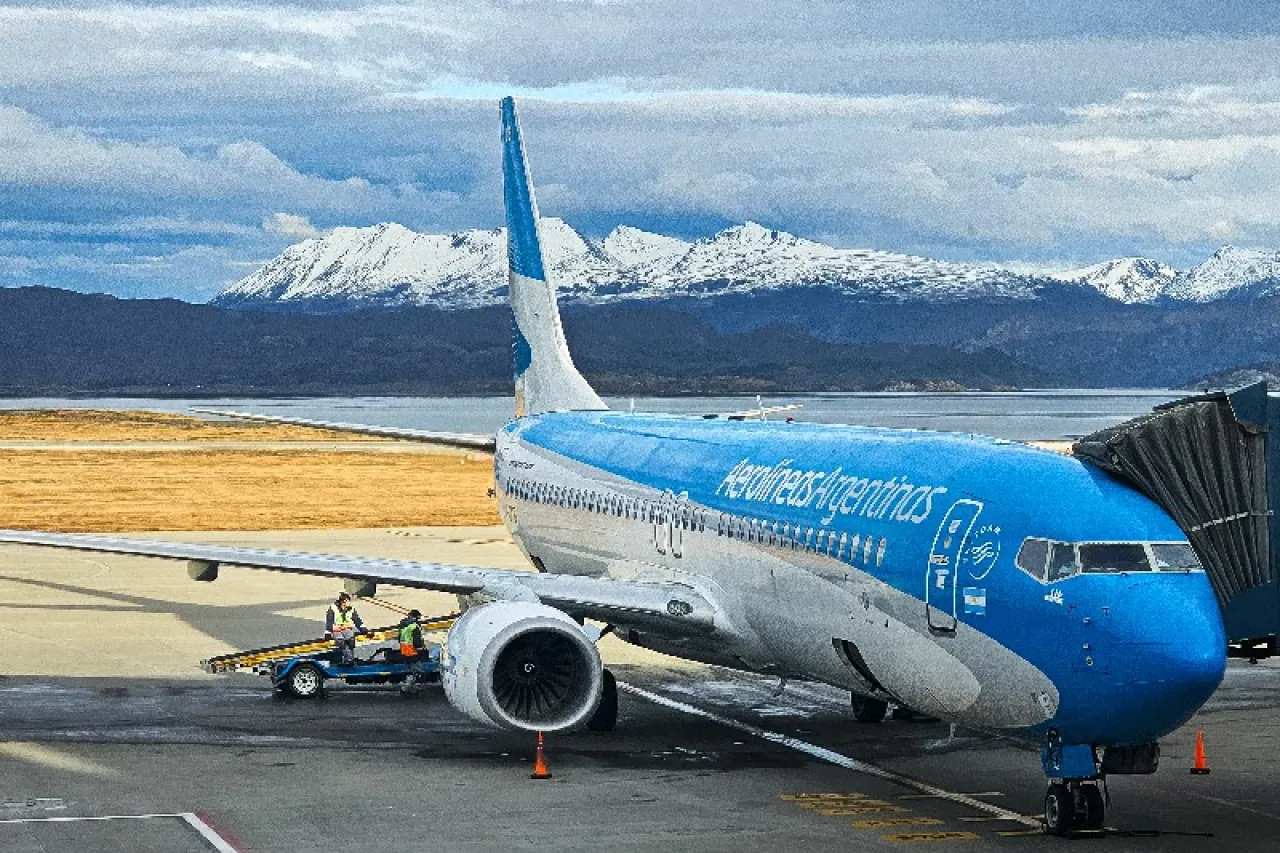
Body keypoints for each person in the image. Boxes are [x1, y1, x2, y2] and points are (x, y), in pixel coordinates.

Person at [325, 592, 366, 666]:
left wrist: (363, 628)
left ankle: (350, 659)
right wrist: (327, 632)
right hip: (337, 629)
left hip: (346, 628)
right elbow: (329, 622)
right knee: (341, 642)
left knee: (351, 641)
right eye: (348, 601)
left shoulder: (351, 609)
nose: (350, 603)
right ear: (343, 602)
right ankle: (345, 659)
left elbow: (357, 620)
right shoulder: (333, 608)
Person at [397, 609, 427, 695]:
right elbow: (417, 642)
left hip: (404, 652)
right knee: (416, 672)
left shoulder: (403, 625)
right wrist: (421, 649)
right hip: (413, 652)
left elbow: (399, 639)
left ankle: (412, 690)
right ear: (417, 617)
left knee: (409, 671)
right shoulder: (414, 626)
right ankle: (405, 689)